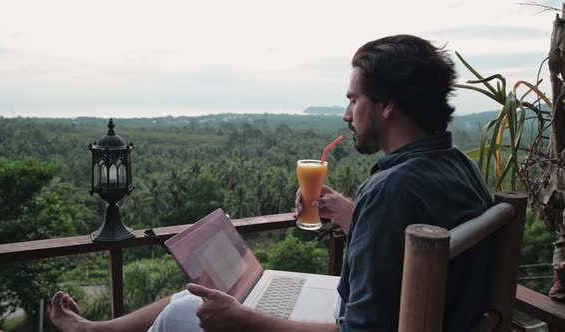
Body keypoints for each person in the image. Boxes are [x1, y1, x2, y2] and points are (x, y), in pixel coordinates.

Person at [50, 34, 492, 332]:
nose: (346, 114)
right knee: (207, 297)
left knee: (195, 308)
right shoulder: (458, 166)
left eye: (353, 99)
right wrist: (352, 213)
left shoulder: (393, 187)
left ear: (389, 106)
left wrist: (248, 322)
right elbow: (410, 251)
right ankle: (99, 330)